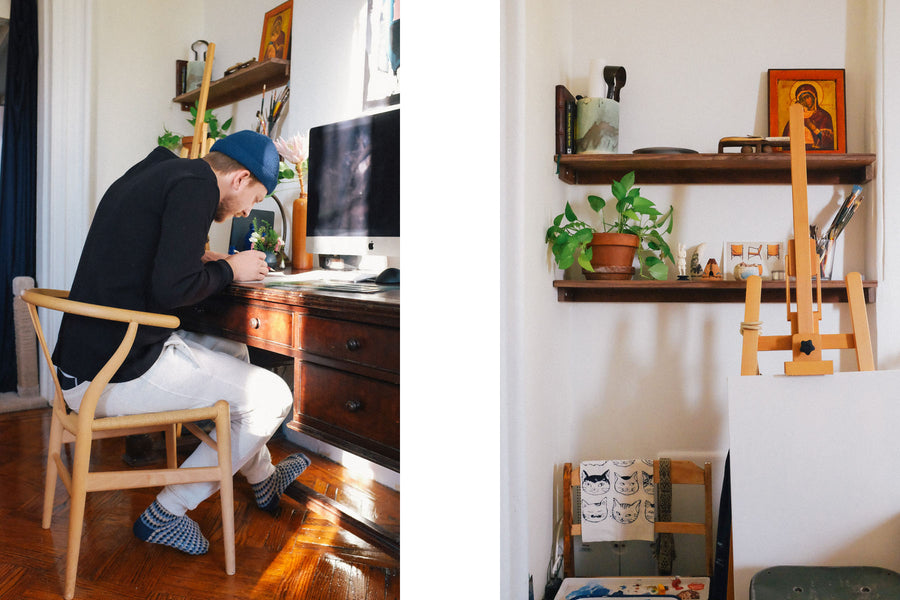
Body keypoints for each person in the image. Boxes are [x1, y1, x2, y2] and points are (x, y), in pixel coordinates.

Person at [52, 130, 308, 556]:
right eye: (255, 198)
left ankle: (262, 480)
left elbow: (146, 260)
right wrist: (232, 269)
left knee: (234, 350)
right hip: (112, 372)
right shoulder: (196, 186)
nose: (248, 210)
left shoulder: (160, 170)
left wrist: (203, 259)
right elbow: (171, 290)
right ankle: (166, 513)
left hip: (87, 356)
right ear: (240, 178)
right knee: (272, 397)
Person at [781, 83, 835, 150]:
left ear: (814, 98)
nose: (805, 101)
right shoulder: (795, 117)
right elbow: (785, 142)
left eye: (807, 97)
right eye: (801, 99)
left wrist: (813, 128)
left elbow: (828, 142)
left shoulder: (824, 116)